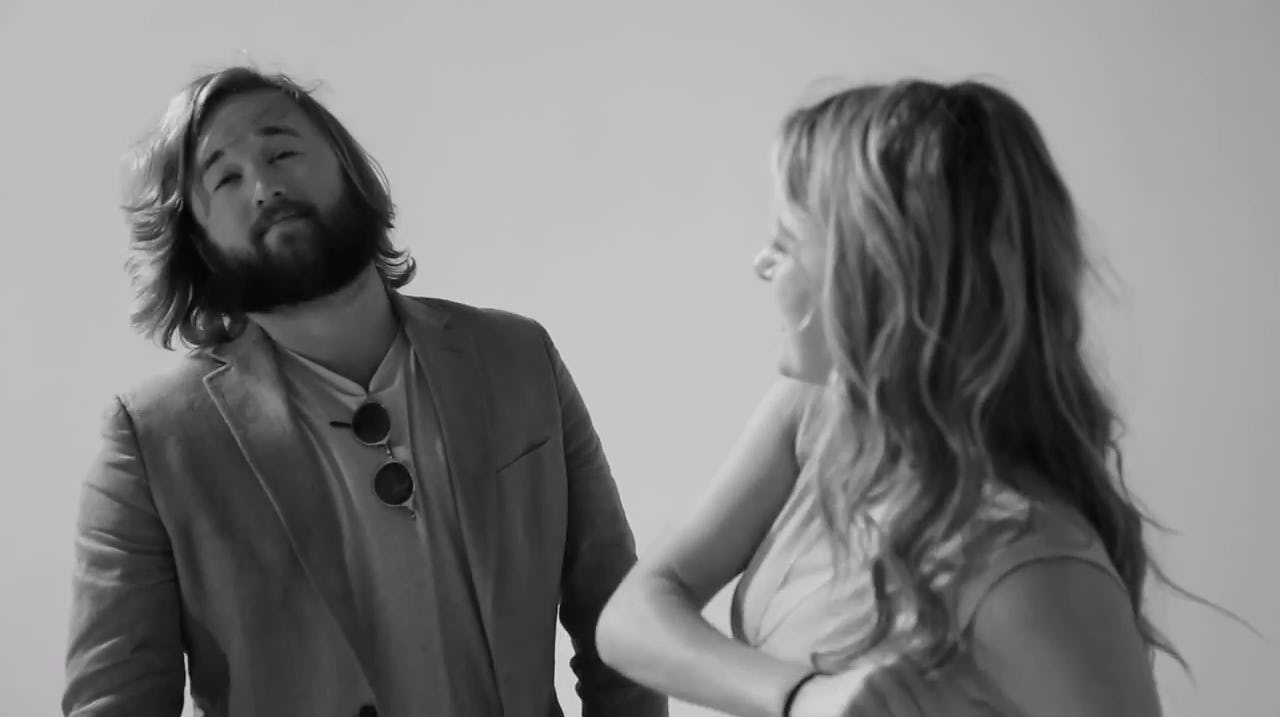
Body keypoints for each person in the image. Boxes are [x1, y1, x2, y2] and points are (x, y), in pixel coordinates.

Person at [63, 66, 667, 717]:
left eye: (281, 152)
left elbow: (621, 629)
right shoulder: (152, 442)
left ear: (350, 170)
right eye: (226, 179)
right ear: (199, 244)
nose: (265, 187)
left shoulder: (518, 359)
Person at [595, 79, 1175, 716]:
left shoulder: (1036, 573)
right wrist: (799, 695)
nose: (762, 264)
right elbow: (630, 618)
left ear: (873, 275)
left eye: (786, 242)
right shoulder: (817, 414)